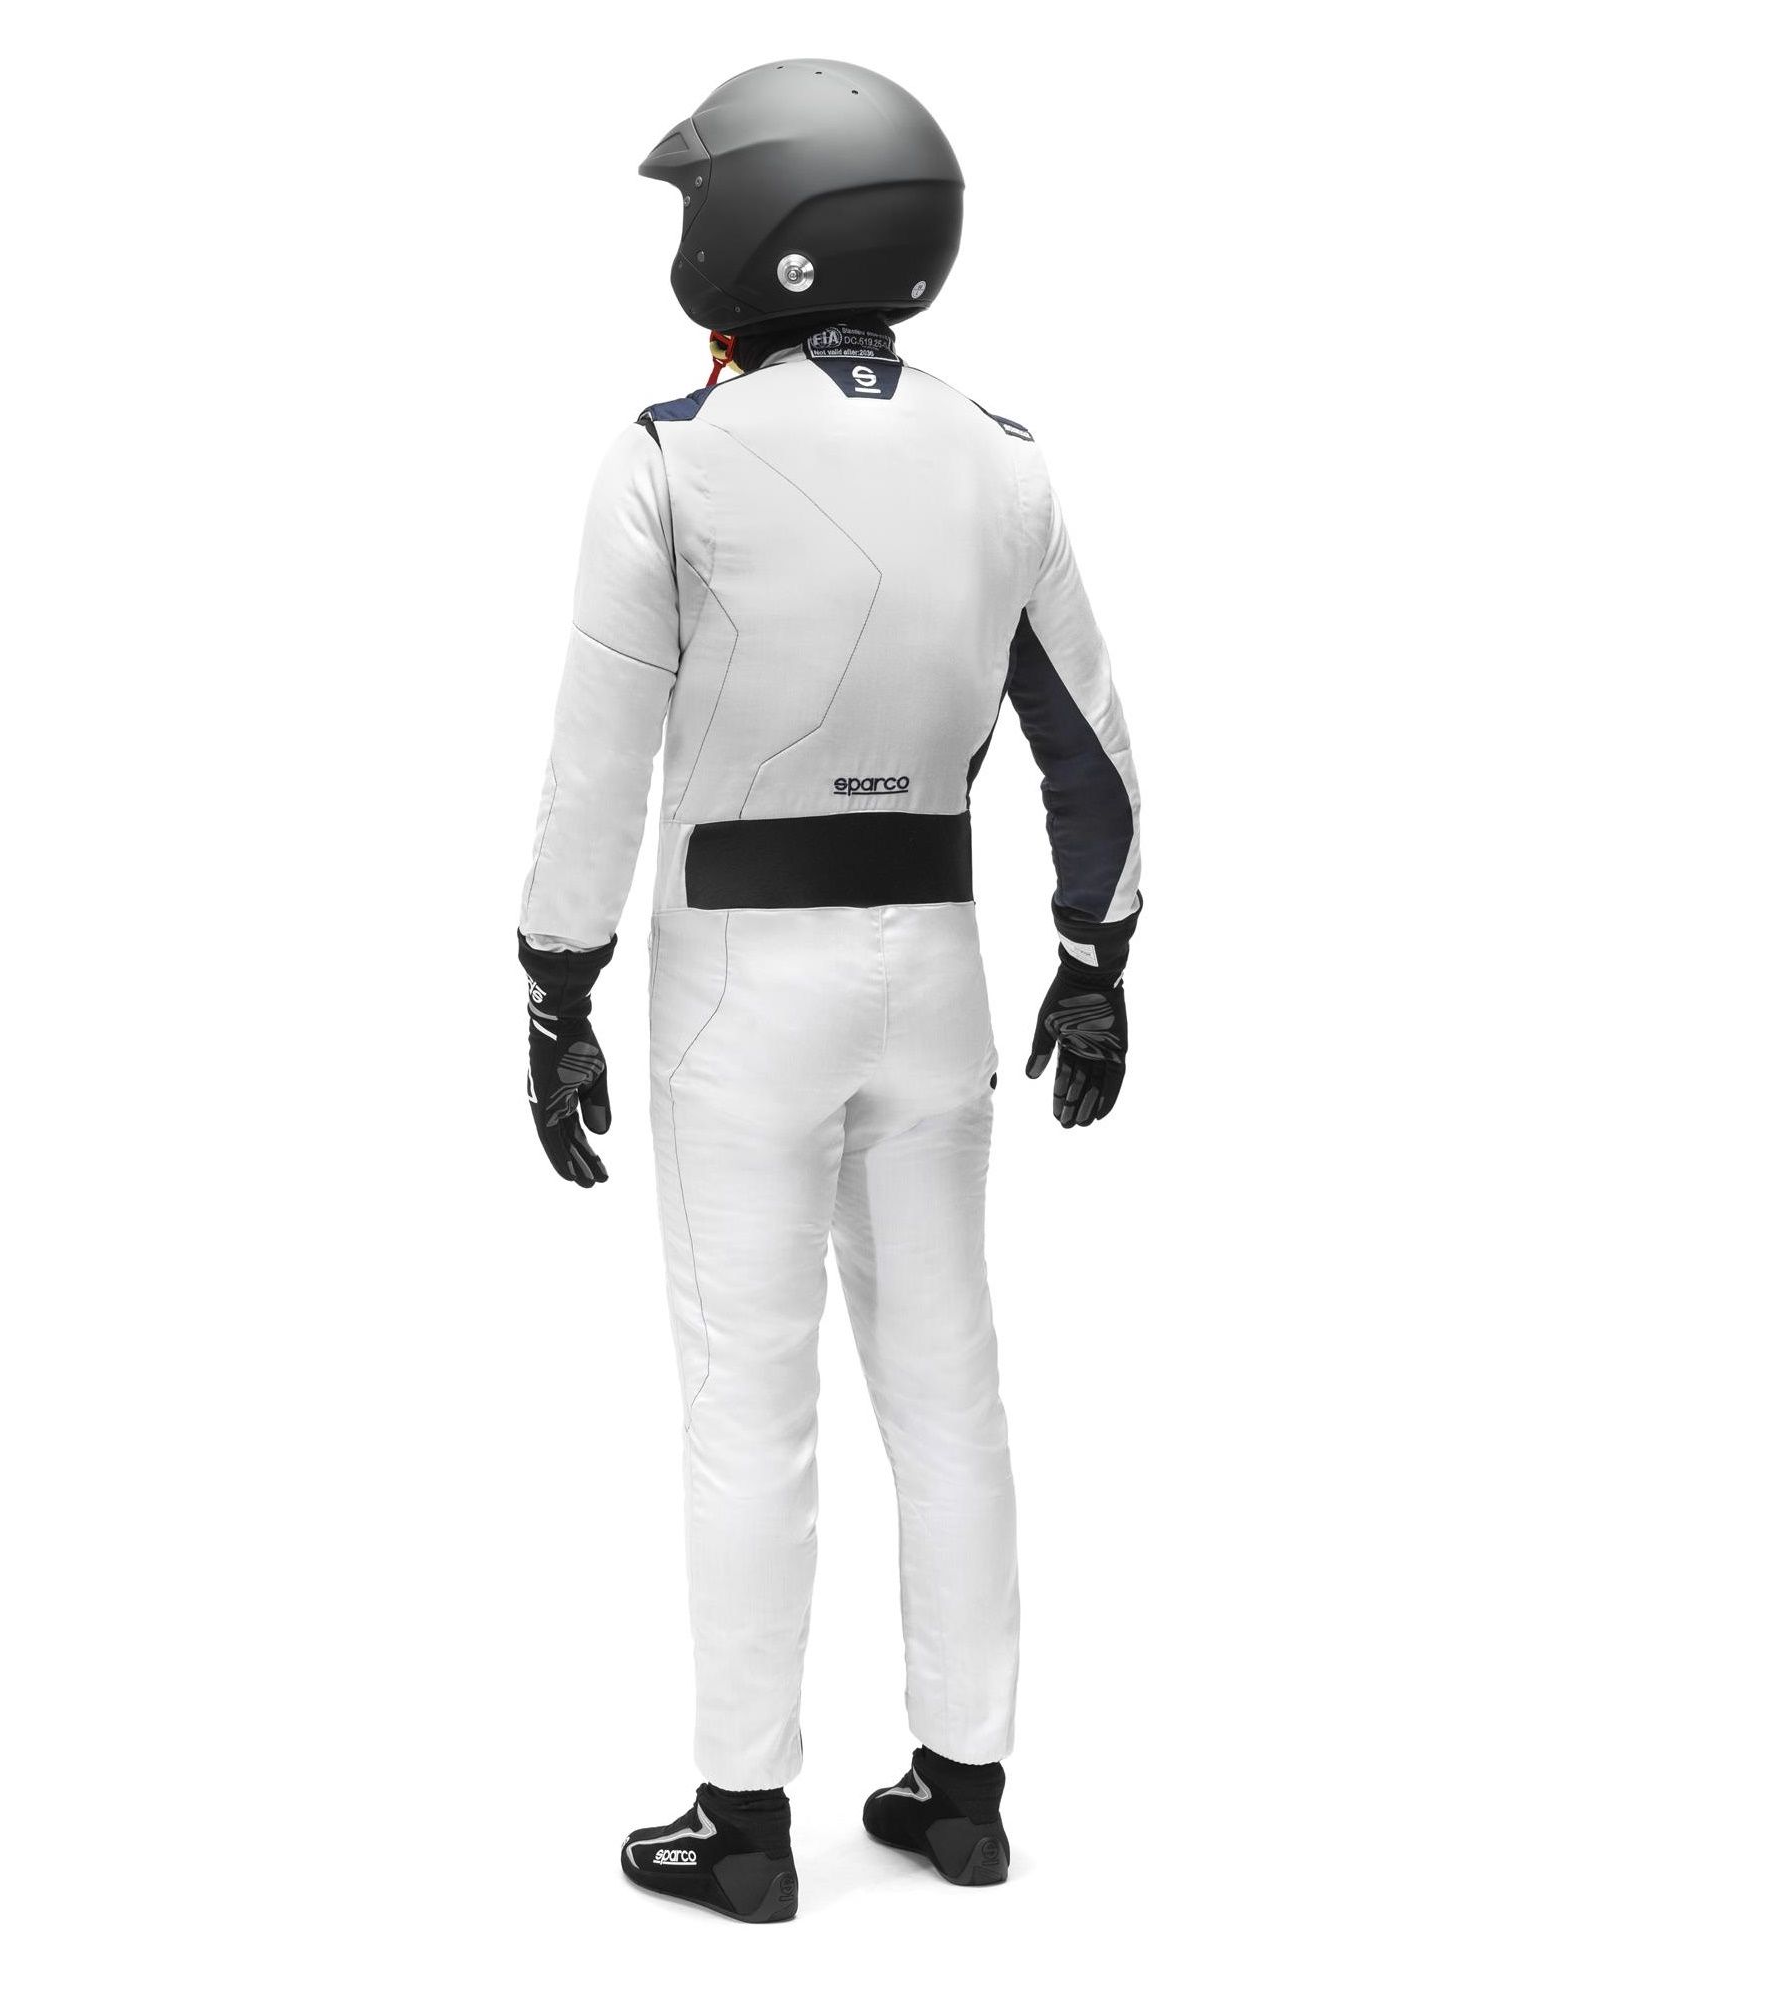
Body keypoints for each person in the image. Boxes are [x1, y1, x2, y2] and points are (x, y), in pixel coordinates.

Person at [518, 59, 1142, 1923]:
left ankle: (743, 1822)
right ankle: (965, 1789)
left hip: (738, 985)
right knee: (950, 1385)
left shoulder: (671, 458)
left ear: (766, 232)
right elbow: (1093, 756)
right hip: (936, 975)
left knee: (748, 1403)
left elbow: (595, 764)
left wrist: (555, 982)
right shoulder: (1005, 459)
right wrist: (1096, 960)